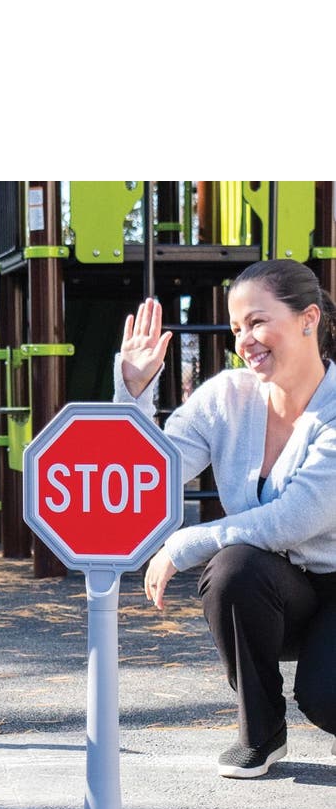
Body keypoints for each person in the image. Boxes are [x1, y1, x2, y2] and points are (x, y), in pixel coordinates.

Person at [116, 258, 336, 779]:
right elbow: (147, 477)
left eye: (257, 322)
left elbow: (296, 517)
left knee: (326, 698)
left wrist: (182, 545)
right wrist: (134, 392)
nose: (245, 341)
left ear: (308, 318)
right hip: (284, 588)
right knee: (234, 568)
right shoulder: (227, 397)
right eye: (237, 328)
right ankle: (261, 732)